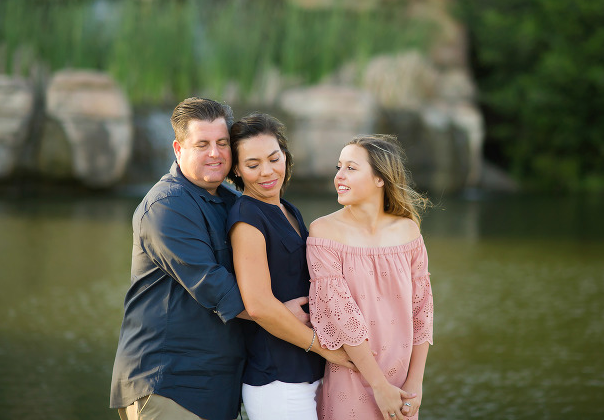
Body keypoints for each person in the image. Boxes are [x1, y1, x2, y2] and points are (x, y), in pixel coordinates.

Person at [110, 98, 307, 420]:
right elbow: (215, 287)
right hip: (170, 384)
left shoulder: (236, 202)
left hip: (222, 386)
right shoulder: (166, 207)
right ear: (178, 148)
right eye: (202, 144)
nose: (215, 153)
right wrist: (283, 318)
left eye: (222, 143)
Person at [226, 113, 355, 420]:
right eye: (253, 164)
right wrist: (325, 349)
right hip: (277, 381)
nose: (267, 172)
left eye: (274, 158)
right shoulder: (247, 217)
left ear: (285, 154)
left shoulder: (287, 208)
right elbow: (257, 305)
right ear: (237, 169)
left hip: (309, 372)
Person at [307, 134, 434, 420]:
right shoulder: (324, 232)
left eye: (351, 168)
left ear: (381, 179)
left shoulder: (408, 231)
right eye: (338, 167)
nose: (339, 176)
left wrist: (416, 382)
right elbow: (341, 317)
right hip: (352, 375)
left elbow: (422, 311)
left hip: (402, 383)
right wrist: (378, 385)